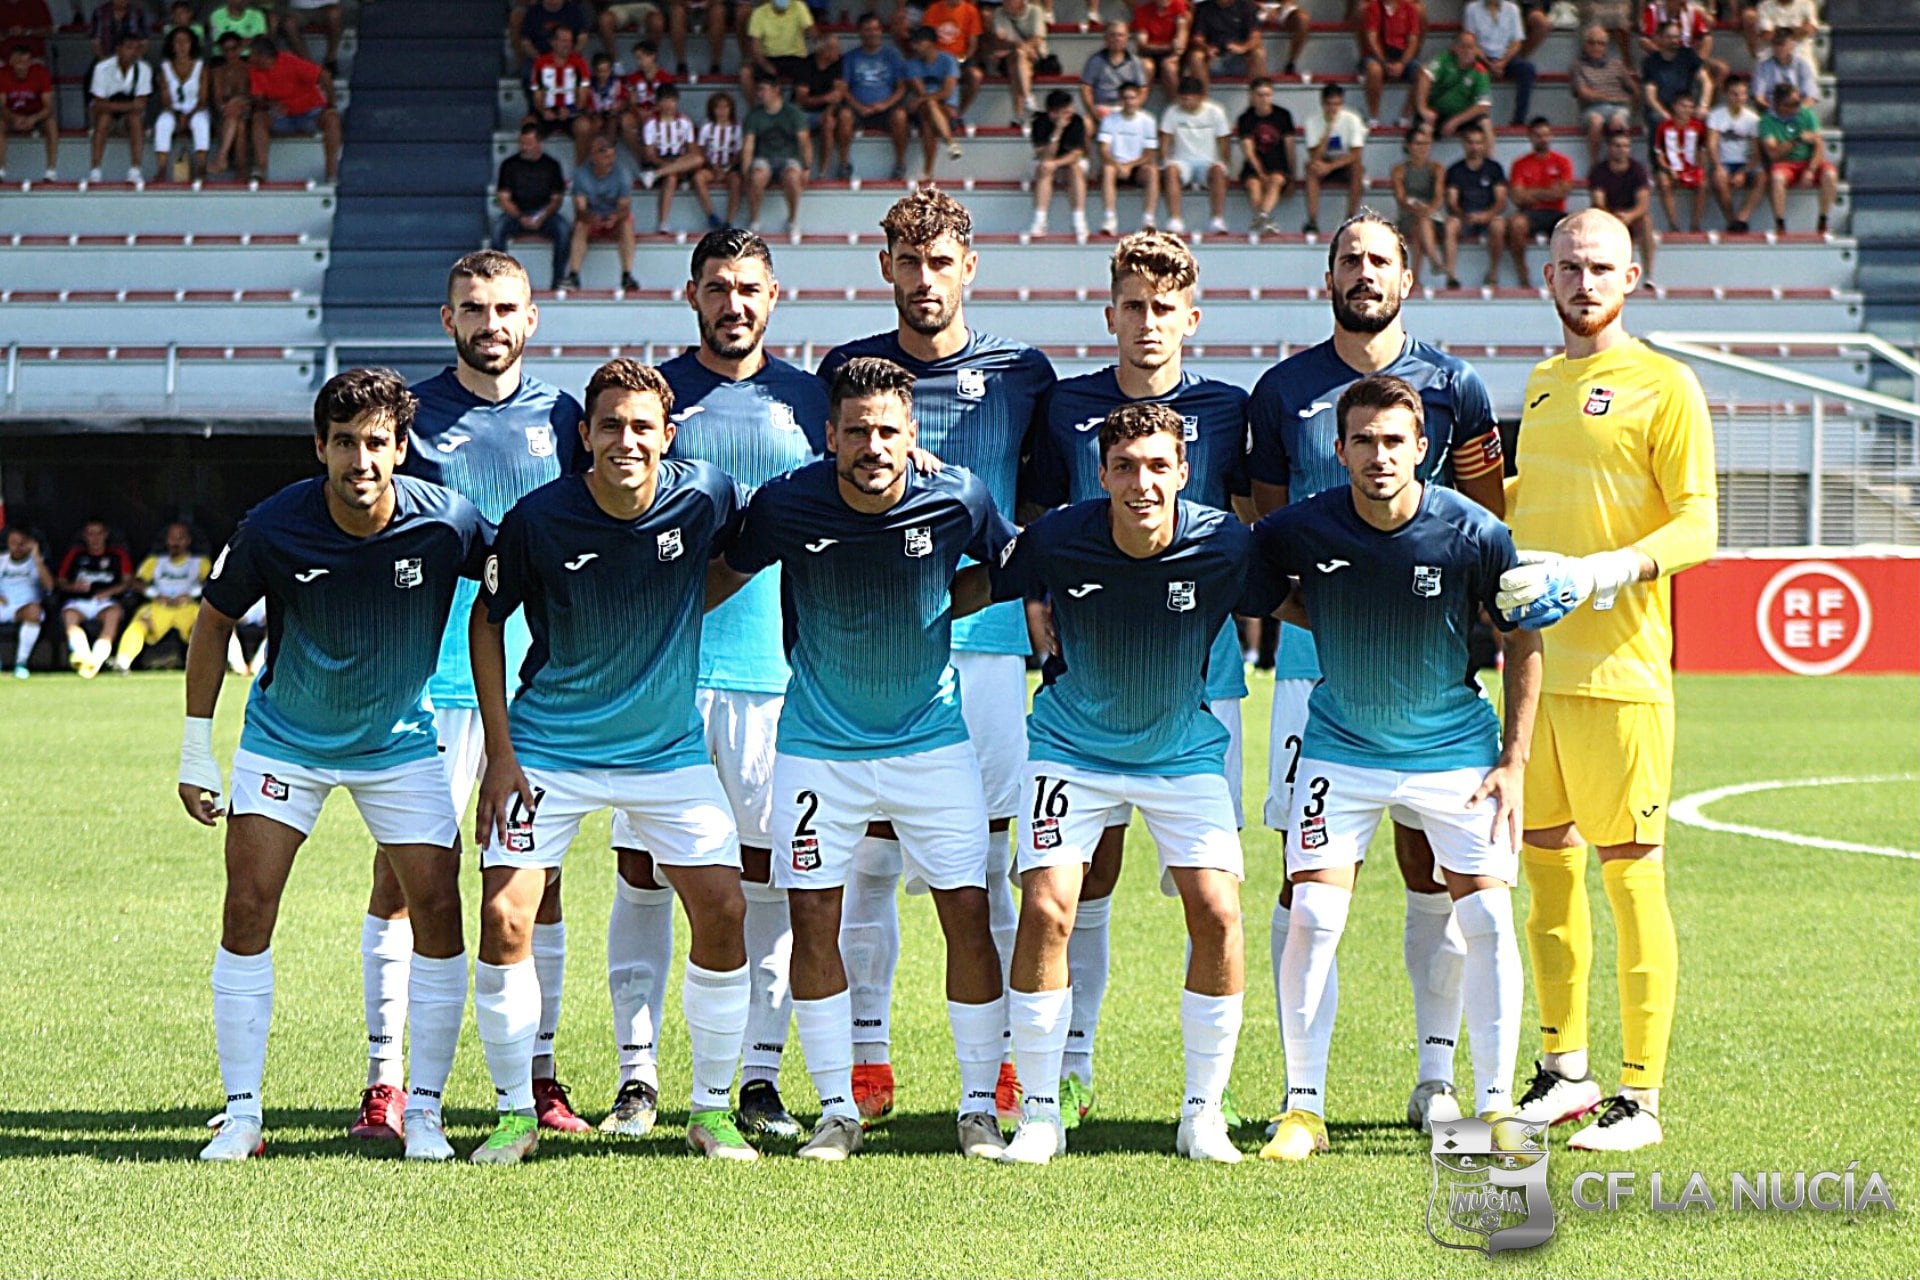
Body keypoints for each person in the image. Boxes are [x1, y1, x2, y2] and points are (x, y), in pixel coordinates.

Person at [707, 355, 1019, 1160]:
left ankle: (978, 1107)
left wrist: (950, 601)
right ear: (828, 437)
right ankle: (838, 1109)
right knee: (814, 918)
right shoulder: (787, 502)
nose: (872, 445)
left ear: (912, 434)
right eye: (856, 432)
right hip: (818, 749)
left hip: (932, 744)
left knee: (967, 913)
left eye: (888, 430)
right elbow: (718, 575)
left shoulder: (957, 495)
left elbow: (1008, 566)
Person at [179, 368, 491, 1164]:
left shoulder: (448, 522)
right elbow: (213, 625)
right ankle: (243, 1112)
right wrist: (194, 751)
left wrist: (510, 740)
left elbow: (508, 597)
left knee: (439, 911)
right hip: (286, 741)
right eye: (345, 442)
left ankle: (423, 1110)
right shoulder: (273, 525)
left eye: (377, 443)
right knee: (247, 907)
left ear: (401, 448)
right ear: (320, 446)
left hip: (401, 745)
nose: (361, 460)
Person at [1247, 209, 1507, 1139]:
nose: (1364, 273)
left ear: (1408, 275)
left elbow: (1486, 524)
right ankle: (1298, 1090)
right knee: (1306, 880)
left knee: (1431, 868)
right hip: (1318, 677)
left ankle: (1437, 1077)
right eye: (1349, 259)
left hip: (1434, 685)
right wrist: (1351, 612)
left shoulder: (1457, 385)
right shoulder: (1282, 391)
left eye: (1380, 260)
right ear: (1328, 276)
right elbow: (1269, 542)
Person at [470, 358, 757, 1165]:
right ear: (584, 437)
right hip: (549, 749)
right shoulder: (537, 518)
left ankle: (711, 1111)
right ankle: (514, 1114)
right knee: (503, 918)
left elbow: (778, 528)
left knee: (726, 912)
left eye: (642, 427)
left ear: (669, 436)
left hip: (665, 751)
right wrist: (499, 752)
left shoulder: (709, 494)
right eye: (609, 425)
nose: (625, 440)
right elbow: (487, 622)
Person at [815, 189, 1057, 1127]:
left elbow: (1028, 522)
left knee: (984, 868)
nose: (925, 281)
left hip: (989, 651)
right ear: (886, 269)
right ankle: (868, 1062)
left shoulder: (1022, 374)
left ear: (970, 267)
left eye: (941, 262)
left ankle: (994, 1068)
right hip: (874, 648)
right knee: (870, 863)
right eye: (908, 263)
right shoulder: (848, 372)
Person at [1495, 207, 1718, 1153]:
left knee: (1631, 882)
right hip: (1537, 675)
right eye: (1568, 267)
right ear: (1545, 279)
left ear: (1634, 281)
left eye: (1601, 268)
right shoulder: (1542, 386)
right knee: (1546, 880)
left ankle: (1643, 1097)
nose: (1584, 283)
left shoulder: (1665, 387)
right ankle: (1564, 1072)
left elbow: (1700, 528)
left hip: (1622, 676)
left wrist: (1599, 572)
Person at [1018, 233, 1252, 1128]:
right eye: (1132, 306)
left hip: (1199, 682)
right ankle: (1064, 1077)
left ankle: (1205, 1110)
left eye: (1164, 309)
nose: (1147, 323)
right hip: (1084, 674)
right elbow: (1036, 526)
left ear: (1191, 318)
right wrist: (1041, 605)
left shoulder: (1229, 409)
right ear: (1108, 312)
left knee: (1209, 901)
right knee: (1081, 881)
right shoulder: (1065, 405)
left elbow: (1254, 535)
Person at [606, 228, 830, 1143]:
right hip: (661, 677)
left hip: (775, 679)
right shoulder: (652, 400)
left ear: (774, 296)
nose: (733, 304)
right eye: (716, 288)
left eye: (749, 288)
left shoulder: (815, 401)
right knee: (641, 876)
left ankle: (760, 1082)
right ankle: (636, 1080)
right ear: (689, 296)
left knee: (763, 880)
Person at [369, 251, 587, 1143]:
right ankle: (384, 1081)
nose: (489, 323)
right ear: (446, 319)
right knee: (402, 880)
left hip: (536, 685)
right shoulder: (411, 419)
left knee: (540, 885)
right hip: (426, 685)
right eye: (472, 308)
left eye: (505, 308)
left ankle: (538, 1074)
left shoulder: (571, 418)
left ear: (531, 320)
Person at [111, 521, 207, 671]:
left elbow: (212, 583)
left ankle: (231, 665)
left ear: (188, 541)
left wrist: (191, 594)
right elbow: (136, 583)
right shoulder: (154, 561)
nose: (176, 542)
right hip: (159, 605)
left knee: (207, 626)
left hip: (188, 607)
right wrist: (154, 594)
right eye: (172, 538)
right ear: (166, 540)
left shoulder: (200, 562)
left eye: (180, 538)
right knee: (140, 624)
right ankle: (122, 662)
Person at [247, 35, 340, 182]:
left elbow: (324, 76)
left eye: (252, 54)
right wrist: (271, 105)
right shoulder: (254, 70)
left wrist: (331, 104)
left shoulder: (289, 61)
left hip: (309, 113)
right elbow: (257, 99)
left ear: (261, 56)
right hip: (282, 117)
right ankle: (260, 170)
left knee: (332, 118)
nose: (249, 57)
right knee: (259, 118)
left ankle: (331, 173)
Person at [492, 124, 571, 287]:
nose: (524, 147)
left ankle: (558, 279)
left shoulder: (552, 165)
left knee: (563, 229)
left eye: (528, 143)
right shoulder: (509, 165)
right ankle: (498, 280)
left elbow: (556, 199)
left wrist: (542, 216)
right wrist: (520, 217)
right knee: (498, 228)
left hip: (544, 215)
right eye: (522, 143)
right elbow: (504, 198)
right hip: (516, 214)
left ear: (539, 143)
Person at [57, 519, 133, 678]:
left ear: (105, 535)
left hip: (107, 602)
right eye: (91, 533)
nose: (95, 538)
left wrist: (108, 592)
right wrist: (73, 587)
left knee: (113, 615)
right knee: (69, 615)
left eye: (99, 533)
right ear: (85, 536)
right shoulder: (75, 554)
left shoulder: (118, 555)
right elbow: (60, 582)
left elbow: (127, 582)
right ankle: (83, 654)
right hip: (79, 601)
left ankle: (96, 660)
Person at [1759, 81, 1835, 234]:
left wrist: (1811, 170)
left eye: (1797, 102)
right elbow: (1773, 154)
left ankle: (1823, 220)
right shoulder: (1766, 121)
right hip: (1785, 163)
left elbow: (1818, 145)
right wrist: (1796, 140)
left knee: (1830, 174)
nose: (1796, 107)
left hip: (1808, 160)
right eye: (1792, 104)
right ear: (1779, 105)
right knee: (1777, 178)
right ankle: (1780, 223)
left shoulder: (1806, 114)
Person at [1157, 75, 1230, 235]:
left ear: (1201, 97)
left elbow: (1224, 140)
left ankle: (1217, 220)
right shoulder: (1172, 112)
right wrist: (1164, 161)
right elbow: (1165, 139)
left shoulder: (1216, 111)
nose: (1186, 103)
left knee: (1218, 170)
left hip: (1207, 163)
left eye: (1190, 99)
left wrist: (1224, 164)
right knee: (1170, 170)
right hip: (1182, 163)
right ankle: (1175, 220)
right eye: (1183, 99)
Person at [1505, 115, 1574, 283]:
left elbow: (1563, 192)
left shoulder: (1562, 161)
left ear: (1551, 136)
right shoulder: (1520, 164)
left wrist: (1531, 193)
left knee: (1575, 227)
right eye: (1538, 135)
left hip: (1556, 212)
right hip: (1530, 214)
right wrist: (1549, 192)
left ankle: (1565, 275)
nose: (1542, 139)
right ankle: (1523, 272)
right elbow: (1517, 197)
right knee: (1516, 224)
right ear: (1530, 137)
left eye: (1545, 134)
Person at [841, 12, 909, 181]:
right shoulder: (850, 57)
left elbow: (901, 87)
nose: (872, 33)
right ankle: (844, 164)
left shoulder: (892, 55)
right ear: (860, 33)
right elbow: (843, 89)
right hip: (858, 110)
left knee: (900, 116)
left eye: (876, 29)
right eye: (868, 29)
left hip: (885, 109)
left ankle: (900, 164)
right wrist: (858, 107)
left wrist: (885, 105)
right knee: (843, 115)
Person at [564, 137, 638, 290]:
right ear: (594, 156)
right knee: (580, 226)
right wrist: (591, 218)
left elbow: (625, 207)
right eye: (605, 156)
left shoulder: (622, 173)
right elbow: (580, 209)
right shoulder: (581, 174)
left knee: (627, 224)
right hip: (591, 219)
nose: (609, 161)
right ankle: (574, 275)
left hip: (614, 218)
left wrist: (615, 217)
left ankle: (627, 274)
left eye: (611, 156)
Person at [742, 73, 810, 238]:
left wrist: (806, 167)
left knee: (793, 177)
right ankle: (755, 220)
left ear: (776, 90)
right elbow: (748, 145)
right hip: (764, 157)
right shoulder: (754, 115)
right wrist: (745, 171)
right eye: (758, 90)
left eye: (763, 89)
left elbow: (804, 141)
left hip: (789, 158)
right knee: (757, 176)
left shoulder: (793, 112)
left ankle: (793, 220)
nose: (760, 93)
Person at [1443, 123, 1509, 287]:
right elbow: (1451, 202)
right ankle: (1450, 275)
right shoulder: (1455, 170)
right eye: (1471, 142)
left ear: (1485, 144)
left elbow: (1501, 201)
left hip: (1488, 216)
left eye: (1478, 142)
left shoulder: (1494, 168)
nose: (1475, 146)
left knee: (1499, 224)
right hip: (1464, 217)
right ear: (1464, 144)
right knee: (1450, 224)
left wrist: (1486, 215)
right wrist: (1463, 215)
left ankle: (1493, 274)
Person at [1588, 128, 1654, 284]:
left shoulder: (1638, 170)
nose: (1622, 150)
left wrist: (1629, 216)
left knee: (1646, 221)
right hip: (1607, 217)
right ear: (1609, 147)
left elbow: (1643, 203)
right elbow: (1598, 203)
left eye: (1625, 146)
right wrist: (1614, 219)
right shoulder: (1598, 171)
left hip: (1631, 217)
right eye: (1617, 146)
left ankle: (1648, 275)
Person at [1097, 80, 1160, 236]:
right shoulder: (1109, 119)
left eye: (1133, 98)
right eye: (1126, 98)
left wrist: (1130, 165)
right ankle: (1110, 219)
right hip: (1115, 165)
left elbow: (1149, 154)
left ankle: (1148, 220)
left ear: (1139, 98)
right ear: (1120, 99)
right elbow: (1104, 150)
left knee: (1152, 172)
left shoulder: (1148, 120)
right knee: (1107, 169)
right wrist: (1118, 165)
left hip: (1137, 167)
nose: (1129, 102)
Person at [1303, 84, 1367, 235]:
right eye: (1329, 104)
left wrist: (1331, 167)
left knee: (1358, 169)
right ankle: (1312, 221)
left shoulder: (1352, 119)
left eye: (1337, 104)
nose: (1333, 109)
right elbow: (1314, 156)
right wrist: (1327, 131)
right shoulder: (1312, 121)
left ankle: (1350, 218)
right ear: (1322, 103)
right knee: (1310, 168)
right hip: (1323, 161)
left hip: (1345, 162)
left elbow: (1356, 153)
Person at [87, 30, 150, 183]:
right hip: (104, 113)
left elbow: (141, 104)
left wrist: (119, 107)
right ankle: (95, 170)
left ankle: (135, 170)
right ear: (118, 49)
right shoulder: (101, 68)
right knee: (103, 119)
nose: (133, 52)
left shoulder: (144, 69)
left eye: (136, 48)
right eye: (129, 48)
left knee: (135, 119)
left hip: (128, 114)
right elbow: (99, 104)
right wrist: (128, 106)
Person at [1462, 0, 1538, 126]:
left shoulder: (1513, 9)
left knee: (1527, 69)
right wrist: (1488, 63)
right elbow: (1471, 42)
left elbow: (1516, 42)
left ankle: (1519, 120)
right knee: (1468, 67)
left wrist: (1502, 62)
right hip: (1481, 58)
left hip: (1505, 58)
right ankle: (1472, 120)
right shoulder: (1472, 9)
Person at [903, 24, 964, 182]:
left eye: (918, 43)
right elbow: (921, 92)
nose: (914, 47)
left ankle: (928, 171)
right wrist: (924, 99)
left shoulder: (948, 60)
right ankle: (950, 143)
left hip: (946, 108)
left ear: (929, 43)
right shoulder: (912, 64)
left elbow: (946, 93)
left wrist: (922, 100)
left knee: (928, 120)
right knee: (929, 107)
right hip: (925, 109)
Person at [529, 24, 597, 165]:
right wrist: (543, 111)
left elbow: (583, 97)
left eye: (570, 41)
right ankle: (532, 170)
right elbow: (537, 96)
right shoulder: (541, 63)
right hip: (547, 111)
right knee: (527, 126)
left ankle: (580, 171)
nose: (568, 45)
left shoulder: (579, 63)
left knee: (584, 126)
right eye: (563, 41)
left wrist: (571, 110)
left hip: (571, 112)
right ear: (553, 42)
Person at [640, 83, 704, 233]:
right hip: (658, 160)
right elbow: (650, 154)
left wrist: (679, 162)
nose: (669, 105)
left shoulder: (684, 121)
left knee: (698, 159)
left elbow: (693, 149)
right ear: (658, 103)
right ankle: (663, 222)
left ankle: (654, 176)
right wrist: (666, 165)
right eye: (665, 101)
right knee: (671, 177)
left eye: (672, 101)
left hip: (679, 159)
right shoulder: (650, 123)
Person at [1571, 23, 1638, 166]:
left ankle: (1619, 163)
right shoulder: (1578, 66)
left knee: (1617, 121)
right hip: (1591, 109)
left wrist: (1633, 106)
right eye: (1592, 42)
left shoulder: (1617, 64)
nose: (1596, 47)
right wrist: (1610, 97)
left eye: (1601, 43)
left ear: (1606, 46)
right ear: (1585, 45)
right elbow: (1584, 92)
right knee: (1596, 121)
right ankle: (1595, 164)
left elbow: (1634, 88)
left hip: (1618, 108)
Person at [1705, 73, 1764, 234]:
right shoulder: (1716, 115)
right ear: (1725, 94)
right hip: (1724, 162)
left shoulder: (1753, 119)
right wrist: (1718, 166)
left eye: (1743, 94)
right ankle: (1732, 220)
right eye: (1735, 94)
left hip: (1745, 163)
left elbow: (1756, 152)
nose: (1739, 98)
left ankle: (1742, 217)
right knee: (1718, 177)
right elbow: (1711, 144)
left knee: (1762, 177)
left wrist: (1744, 172)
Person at [1237, 77, 1295, 235]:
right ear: (1252, 96)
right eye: (1260, 95)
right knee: (1254, 184)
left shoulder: (1283, 115)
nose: (1264, 99)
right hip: (1254, 165)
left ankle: (1261, 218)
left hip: (1278, 165)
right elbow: (1248, 150)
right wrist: (1261, 173)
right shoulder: (1245, 119)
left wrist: (1292, 172)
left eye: (1267, 94)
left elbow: (1290, 146)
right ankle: (1265, 219)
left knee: (1276, 180)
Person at [1028, 88, 1089, 237]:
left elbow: (1076, 154)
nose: (1071, 112)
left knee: (1074, 169)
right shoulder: (1039, 122)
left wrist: (1056, 164)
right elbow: (1044, 155)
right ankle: (1040, 221)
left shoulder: (1077, 121)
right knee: (1044, 169)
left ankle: (1079, 221)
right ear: (1053, 113)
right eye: (1066, 110)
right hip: (1045, 161)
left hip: (1069, 162)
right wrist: (1058, 132)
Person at [1392, 122, 1446, 287]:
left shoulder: (1436, 168)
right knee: (1419, 226)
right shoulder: (1399, 170)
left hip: (1432, 214)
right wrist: (1417, 210)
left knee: (1421, 225)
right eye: (1418, 143)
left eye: (1426, 143)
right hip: (1409, 215)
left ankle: (1416, 276)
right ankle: (1433, 259)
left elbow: (1438, 196)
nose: (1423, 148)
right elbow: (1401, 199)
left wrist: (1428, 210)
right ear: (1409, 146)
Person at [1412, 29, 1491, 139]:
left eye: (1471, 47)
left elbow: (1483, 106)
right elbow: (1425, 76)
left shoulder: (1480, 71)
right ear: (1455, 48)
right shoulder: (1445, 59)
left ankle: (1488, 156)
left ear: (1477, 50)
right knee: (1425, 128)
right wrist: (1423, 108)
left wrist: (1456, 121)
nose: (1467, 51)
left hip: (1462, 116)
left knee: (1485, 123)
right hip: (1436, 113)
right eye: (1463, 46)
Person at [1357, 0, 1425, 125]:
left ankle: (1405, 117)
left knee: (1423, 73)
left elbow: (1413, 40)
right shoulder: (1373, 7)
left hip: (1401, 55)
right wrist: (1384, 62)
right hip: (1379, 55)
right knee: (1374, 70)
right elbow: (1372, 38)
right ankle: (1374, 117)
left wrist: (1402, 63)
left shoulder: (1409, 9)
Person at [154, 25, 209, 181]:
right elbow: (165, 98)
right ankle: (162, 169)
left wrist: (189, 116)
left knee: (201, 123)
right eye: (178, 41)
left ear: (192, 44)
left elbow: (203, 98)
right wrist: (178, 115)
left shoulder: (201, 67)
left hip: (197, 109)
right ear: (172, 45)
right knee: (163, 123)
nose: (182, 45)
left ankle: (201, 169)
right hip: (173, 110)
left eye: (186, 41)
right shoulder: (165, 68)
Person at [792, 33, 847, 178]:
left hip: (824, 112)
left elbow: (838, 93)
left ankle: (822, 172)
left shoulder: (837, 63)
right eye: (835, 48)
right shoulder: (805, 65)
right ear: (824, 51)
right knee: (799, 125)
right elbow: (801, 99)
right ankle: (802, 171)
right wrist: (825, 99)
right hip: (802, 111)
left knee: (829, 122)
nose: (839, 51)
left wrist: (828, 111)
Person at [1, 527, 52, 678]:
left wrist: (36, 556)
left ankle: (21, 663)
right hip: (3, 606)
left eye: (21, 543)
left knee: (34, 611)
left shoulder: (36, 562)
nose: (17, 547)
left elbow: (49, 586)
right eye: (13, 543)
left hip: (25, 608)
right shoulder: (1, 560)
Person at [1640, 21, 1710, 132]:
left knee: (1706, 118)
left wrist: (1703, 105)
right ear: (1659, 38)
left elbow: (1706, 82)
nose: (1674, 40)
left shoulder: (1688, 55)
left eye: (1676, 37)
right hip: (1662, 109)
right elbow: (1650, 96)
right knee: (1656, 118)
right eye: (1669, 37)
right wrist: (1664, 114)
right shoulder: (1650, 62)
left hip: (1685, 106)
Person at [1651, 90, 1705, 232]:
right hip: (1671, 169)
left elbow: (1701, 151)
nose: (1686, 110)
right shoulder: (1663, 126)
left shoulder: (1698, 126)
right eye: (1683, 106)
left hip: (1691, 168)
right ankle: (1673, 224)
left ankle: (1695, 224)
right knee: (1663, 181)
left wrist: (1698, 169)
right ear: (1674, 106)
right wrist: (1669, 170)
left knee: (1704, 182)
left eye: (1690, 107)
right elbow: (1659, 154)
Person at [0, 41, 55, 180]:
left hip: (36, 115)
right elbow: (1, 106)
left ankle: (51, 171)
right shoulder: (3, 74)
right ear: (11, 61)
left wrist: (34, 118)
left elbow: (49, 107)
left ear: (31, 62)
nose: (22, 66)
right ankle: (1, 169)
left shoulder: (41, 73)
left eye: (26, 62)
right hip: (11, 115)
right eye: (18, 62)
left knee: (51, 124)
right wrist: (14, 118)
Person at [991, 0, 1051, 125]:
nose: (1005, 3)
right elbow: (1000, 40)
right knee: (1018, 57)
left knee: (1017, 60)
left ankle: (1018, 114)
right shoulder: (998, 13)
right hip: (1014, 55)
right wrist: (1021, 48)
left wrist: (1022, 48)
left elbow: (1038, 38)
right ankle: (1028, 97)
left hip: (1035, 56)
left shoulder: (1035, 11)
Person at [1182, 0, 1263, 92]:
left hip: (1239, 58)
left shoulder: (1246, 6)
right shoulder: (1203, 8)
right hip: (1214, 59)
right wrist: (1206, 48)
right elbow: (1197, 38)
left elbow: (1256, 36)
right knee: (1196, 56)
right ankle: (1203, 100)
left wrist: (1244, 48)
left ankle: (1259, 98)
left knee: (1258, 53)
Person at [694, 90, 745, 230]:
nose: (722, 111)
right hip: (711, 167)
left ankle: (729, 220)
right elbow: (701, 149)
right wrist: (713, 166)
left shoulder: (737, 128)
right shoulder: (707, 127)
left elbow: (740, 152)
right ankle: (711, 215)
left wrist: (728, 168)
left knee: (736, 181)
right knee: (698, 178)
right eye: (718, 107)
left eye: (725, 107)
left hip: (731, 168)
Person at [741, 0, 815, 92]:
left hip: (796, 57)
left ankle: (796, 105)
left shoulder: (799, 6)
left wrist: (819, 40)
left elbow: (813, 33)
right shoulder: (759, 12)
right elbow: (755, 47)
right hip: (769, 58)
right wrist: (765, 65)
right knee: (747, 73)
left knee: (804, 84)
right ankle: (756, 106)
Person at [1079, 21, 1146, 122]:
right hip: (1101, 107)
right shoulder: (1095, 60)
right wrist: (1094, 112)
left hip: (1125, 107)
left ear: (1127, 38)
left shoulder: (1135, 61)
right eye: (1112, 35)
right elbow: (1085, 88)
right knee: (1086, 124)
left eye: (1121, 35)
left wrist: (1132, 108)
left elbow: (1143, 89)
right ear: (1106, 38)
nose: (1117, 39)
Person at [209, 30, 252, 175]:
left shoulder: (249, 69)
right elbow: (217, 98)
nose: (230, 53)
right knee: (238, 124)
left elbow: (254, 95)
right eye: (226, 50)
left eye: (234, 49)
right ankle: (240, 171)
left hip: (248, 110)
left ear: (240, 48)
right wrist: (227, 106)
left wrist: (238, 101)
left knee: (237, 116)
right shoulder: (218, 72)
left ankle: (222, 158)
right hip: (226, 113)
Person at [1131, 0, 1190, 98]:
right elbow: (1142, 44)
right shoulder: (1142, 11)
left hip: (1170, 54)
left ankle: (1177, 105)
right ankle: (1139, 102)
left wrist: (1176, 54)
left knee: (1169, 67)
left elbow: (1181, 34)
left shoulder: (1178, 5)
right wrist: (1168, 46)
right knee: (1146, 66)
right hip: (1150, 54)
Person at [1751, 28, 1819, 110]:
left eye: (1782, 44)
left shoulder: (1802, 66)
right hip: (1772, 112)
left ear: (1792, 45)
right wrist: (1777, 113)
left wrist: (1795, 111)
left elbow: (1811, 96)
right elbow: (1759, 97)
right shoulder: (1762, 67)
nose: (1779, 48)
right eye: (1775, 44)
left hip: (1798, 112)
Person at [279, 0, 342, 72]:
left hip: (326, 6)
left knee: (334, 14)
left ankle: (331, 59)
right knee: (288, 24)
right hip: (297, 9)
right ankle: (309, 65)